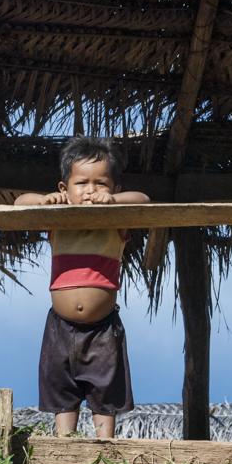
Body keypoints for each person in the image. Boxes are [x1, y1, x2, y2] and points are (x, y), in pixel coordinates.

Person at [14, 137, 149, 437]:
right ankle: (65, 443)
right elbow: (19, 203)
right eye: (82, 183)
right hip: (60, 325)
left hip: (103, 328)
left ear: (115, 189)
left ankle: (106, 445)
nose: (90, 191)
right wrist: (44, 201)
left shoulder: (116, 222)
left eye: (101, 183)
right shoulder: (57, 220)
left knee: (105, 390)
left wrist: (114, 203)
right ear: (65, 189)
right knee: (63, 390)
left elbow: (143, 200)